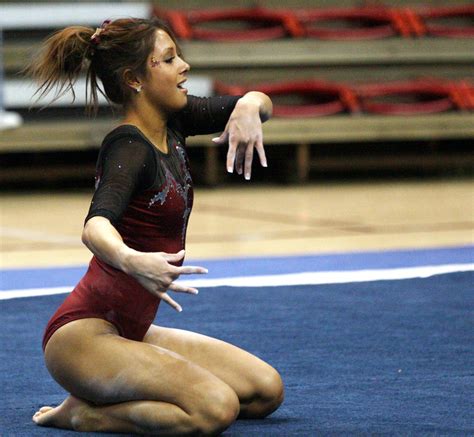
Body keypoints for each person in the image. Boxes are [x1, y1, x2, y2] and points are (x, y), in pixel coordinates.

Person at [27, 17, 283, 435]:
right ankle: (83, 414)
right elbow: (95, 226)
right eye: (168, 59)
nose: (183, 66)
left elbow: (258, 101)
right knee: (214, 409)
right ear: (135, 79)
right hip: (82, 338)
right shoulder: (128, 146)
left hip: (132, 329)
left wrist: (251, 107)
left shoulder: (175, 121)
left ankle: (118, 387)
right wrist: (131, 259)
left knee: (265, 391)